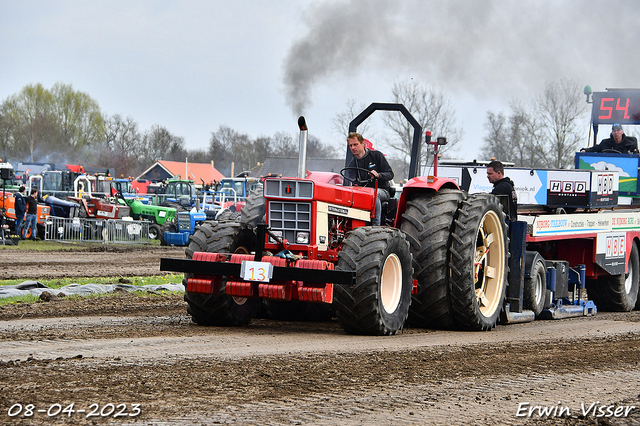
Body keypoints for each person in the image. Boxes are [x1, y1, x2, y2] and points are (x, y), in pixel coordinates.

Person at [344, 132, 394, 226]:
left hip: (382, 191)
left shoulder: (376, 156)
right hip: (362, 192)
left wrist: (378, 175)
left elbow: (390, 174)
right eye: (351, 145)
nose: (353, 148)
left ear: (363, 144)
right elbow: (352, 179)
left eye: (355, 144)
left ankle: (375, 226)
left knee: (374, 194)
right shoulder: (352, 164)